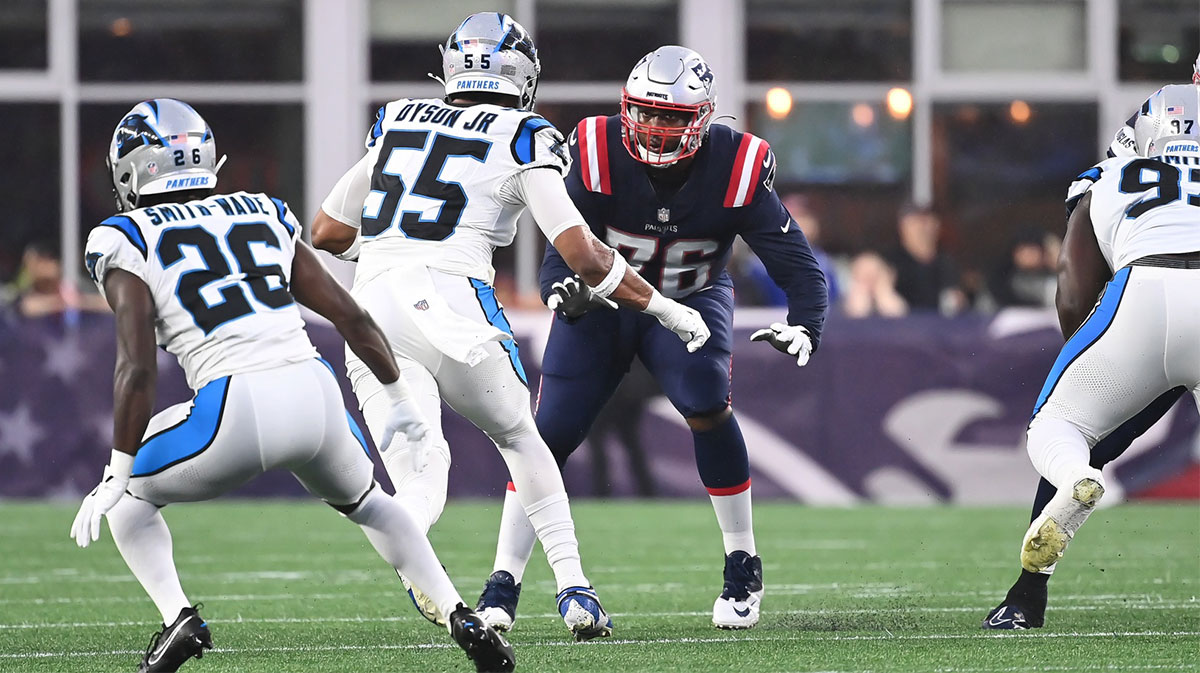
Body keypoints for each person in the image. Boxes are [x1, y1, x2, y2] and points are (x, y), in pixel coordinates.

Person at [70, 99, 514, 673]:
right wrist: (401, 398)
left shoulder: (124, 237)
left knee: (129, 496)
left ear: (132, 171)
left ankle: (179, 618)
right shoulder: (261, 211)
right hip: (316, 396)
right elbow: (351, 316)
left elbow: (136, 367)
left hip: (232, 408)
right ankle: (460, 615)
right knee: (374, 505)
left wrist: (117, 469)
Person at [310, 14, 709, 641]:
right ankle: (575, 590)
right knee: (523, 439)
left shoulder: (396, 120)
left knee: (421, 480)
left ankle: (422, 569)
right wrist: (667, 308)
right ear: (522, 76)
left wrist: (396, 248)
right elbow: (583, 255)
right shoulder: (527, 134)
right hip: (453, 304)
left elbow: (326, 233)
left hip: (373, 311)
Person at [476, 46, 828, 632]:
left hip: (690, 302)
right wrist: (563, 290)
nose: (656, 128)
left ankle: (741, 560)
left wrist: (806, 323)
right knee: (548, 432)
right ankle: (503, 581)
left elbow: (798, 265)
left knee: (707, 402)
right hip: (606, 301)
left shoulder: (735, 164)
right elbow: (562, 248)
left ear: (704, 117)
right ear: (625, 107)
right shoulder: (592, 148)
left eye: (672, 117)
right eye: (646, 112)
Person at [983, 74, 1200, 631]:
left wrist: (1096, 363)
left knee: (1063, 431)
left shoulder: (1112, 175)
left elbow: (1073, 290)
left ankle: (1027, 597)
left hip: (1141, 296)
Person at [886, 203, 965, 314]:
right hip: (903, 327)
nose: (922, 228)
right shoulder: (891, 263)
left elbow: (954, 300)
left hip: (941, 327)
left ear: (937, 226)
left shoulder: (946, 263)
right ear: (902, 227)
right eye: (916, 222)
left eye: (927, 221)